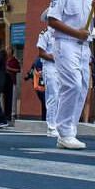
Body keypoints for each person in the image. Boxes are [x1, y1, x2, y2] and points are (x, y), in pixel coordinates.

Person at [47, 0, 95, 150]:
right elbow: (52, 21)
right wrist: (76, 33)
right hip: (65, 44)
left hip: (83, 47)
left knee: (81, 88)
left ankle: (70, 130)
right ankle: (64, 131)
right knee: (71, 84)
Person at [37, 8, 59, 137]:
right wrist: (56, 58)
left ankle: (58, 123)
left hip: (61, 67)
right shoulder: (45, 33)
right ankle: (51, 126)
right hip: (50, 67)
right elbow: (41, 53)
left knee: (61, 96)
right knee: (53, 95)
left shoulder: (61, 33)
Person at [4, 50, 21, 124]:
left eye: (8, 50)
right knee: (5, 98)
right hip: (5, 81)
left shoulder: (14, 60)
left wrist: (9, 68)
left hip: (12, 80)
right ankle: (5, 112)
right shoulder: (5, 59)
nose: (7, 51)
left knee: (13, 98)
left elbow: (18, 70)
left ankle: (12, 113)